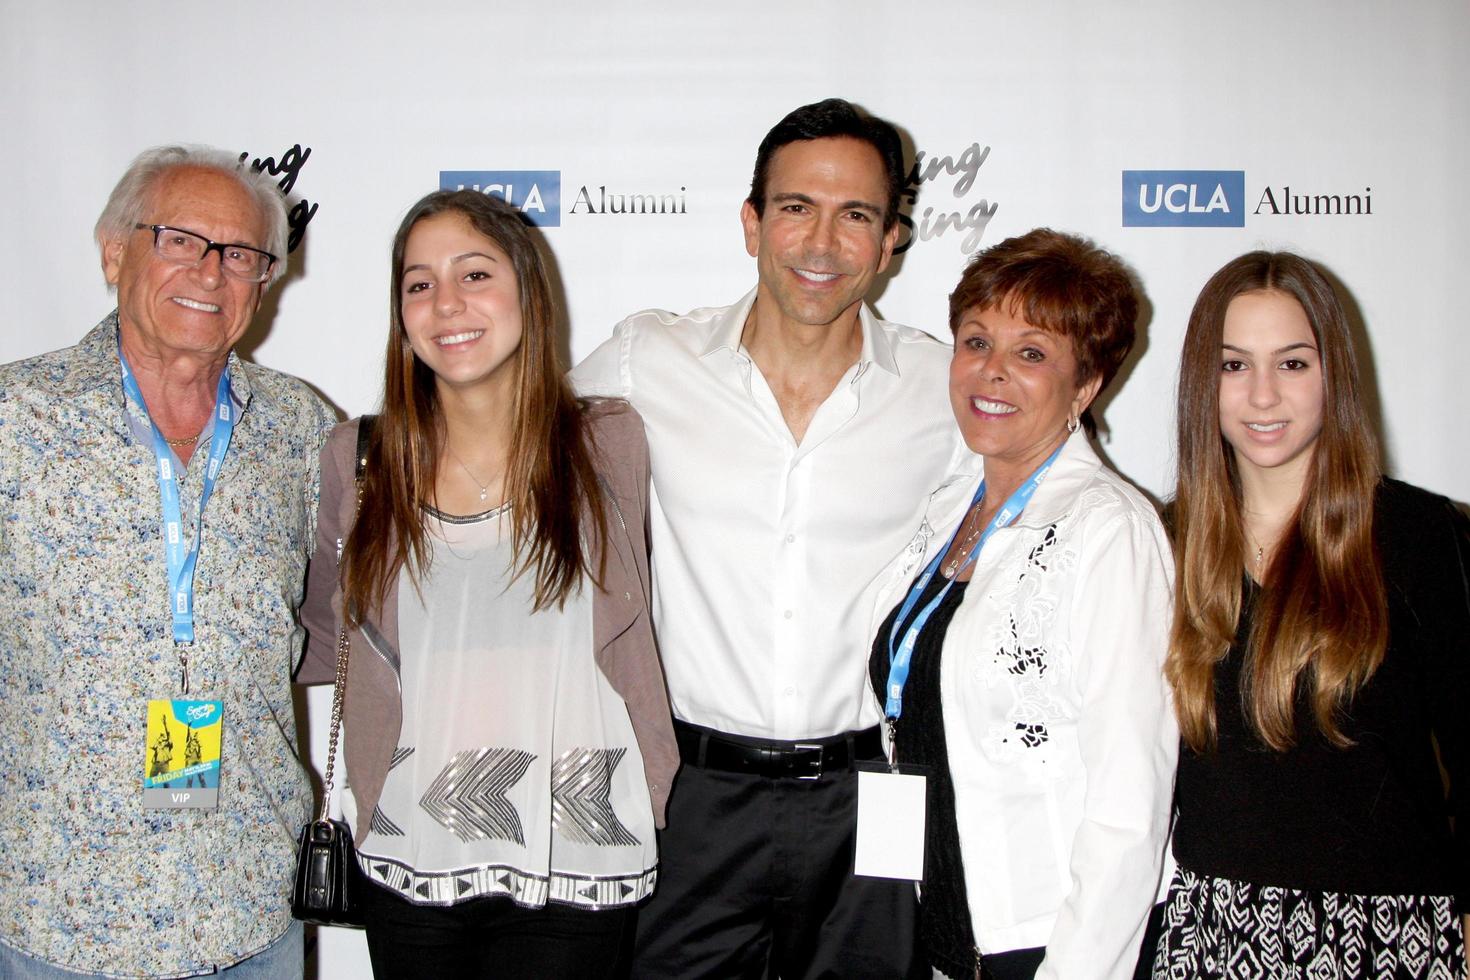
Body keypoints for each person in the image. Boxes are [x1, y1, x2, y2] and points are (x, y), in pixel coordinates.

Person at [571, 97, 969, 978]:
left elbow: (1059, 498)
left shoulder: (942, 385)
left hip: (876, 796)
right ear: (752, 223)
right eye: (796, 208)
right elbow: (510, 441)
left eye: (855, 215)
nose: (822, 244)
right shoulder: (649, 359)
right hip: (691, 794)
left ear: (894, 239)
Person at [297, 189, 676, 978]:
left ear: (526, 293)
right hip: (412, 846)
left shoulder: (610, 444)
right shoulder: (358, 460)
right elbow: (322, 633)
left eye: (475, 274)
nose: (447, 305)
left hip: (581, 845)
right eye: (419, 283)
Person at [0, 145, 333, 977]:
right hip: (58, 918)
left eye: (241, 255)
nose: (211, 272)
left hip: (249, 913)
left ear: (266, 283)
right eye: (180, 240)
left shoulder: (300, 428)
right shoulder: (14, 419)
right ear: (116, 251)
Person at [868, 228, 1177, 980]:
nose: (991, 371)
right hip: (940, 926)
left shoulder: (1110, 532)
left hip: (1047, 943)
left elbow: (1129, 805)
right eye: (976, 341)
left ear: (1085, 386)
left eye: (1031, 353)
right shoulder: (949, 508)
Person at [1154, 251, 1470, 978]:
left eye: (1293, 364)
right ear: (1204, 381)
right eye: (1234, 366)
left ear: (1336, 375)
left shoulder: (1418, 536)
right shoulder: (1163, 546)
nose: (1263, 396)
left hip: (1385, 937)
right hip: (1208, 932)